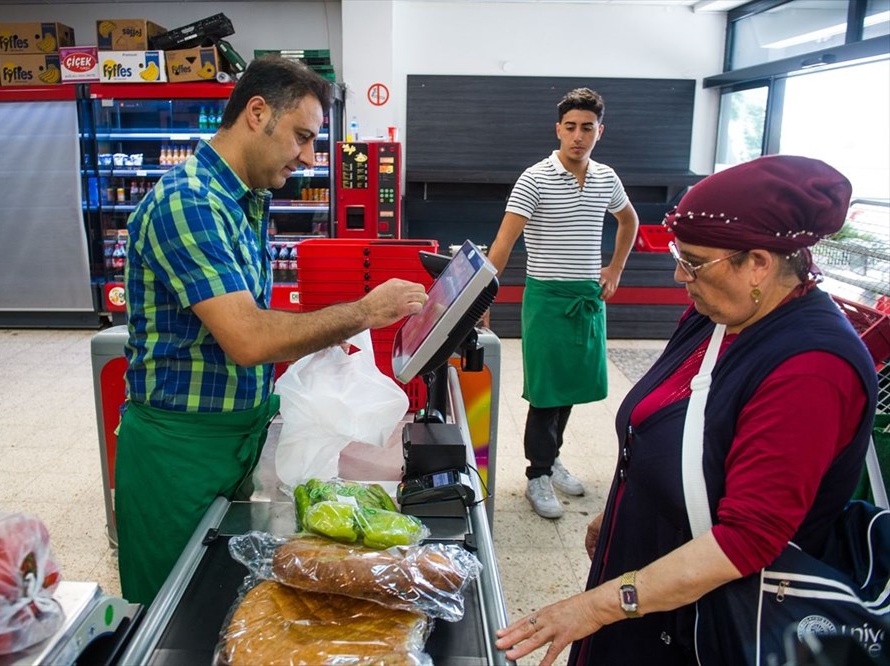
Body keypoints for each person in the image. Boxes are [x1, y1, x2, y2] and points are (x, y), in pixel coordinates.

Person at [495, 155, 878, 665]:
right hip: (649, 580)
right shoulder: (717, 316)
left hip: (707, 615)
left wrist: (595, 607)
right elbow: (672, 432)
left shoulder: (811, 368)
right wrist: (622, 512)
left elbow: (744, 542)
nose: (679, 273)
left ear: (758, 263)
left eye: (693, 261)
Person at [114, 56, 428, 607]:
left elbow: (247, 315)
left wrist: (317, 333)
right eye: (302, 136)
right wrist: (361, 312)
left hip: (235, 437)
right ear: (257, 113)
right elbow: (249, 339)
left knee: (216, 600)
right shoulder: (190, 202)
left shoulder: (247, 200)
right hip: (179, 450)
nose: (309, 155)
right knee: (169, 613)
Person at [486, 88, 639, 519]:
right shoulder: (534, 179)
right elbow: (503, 244)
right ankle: (537, 474)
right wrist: (480, 294)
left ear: (599, 131)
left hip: (587, 300)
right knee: (546, 393)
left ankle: (551, 461)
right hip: (548, 301)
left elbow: (629, 219)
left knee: (570, 388)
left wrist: (615, 269)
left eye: (587, 128)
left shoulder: (607, 178)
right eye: (570, 127)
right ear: (558, 129)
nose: (578, 136)